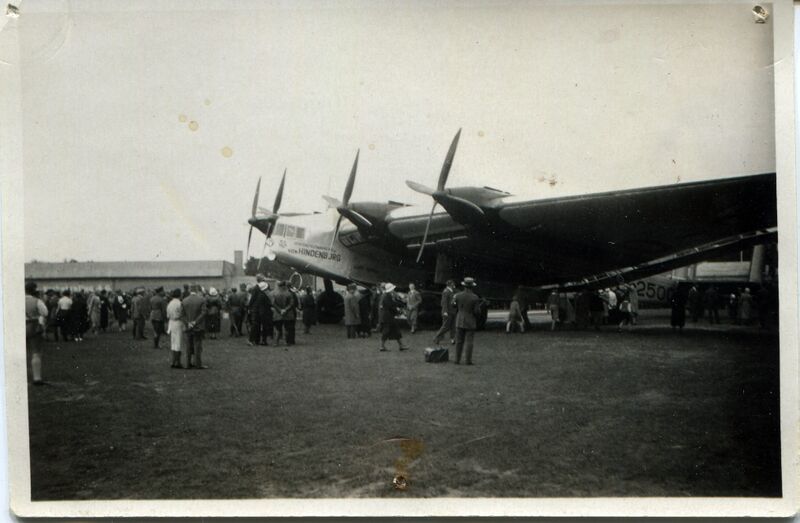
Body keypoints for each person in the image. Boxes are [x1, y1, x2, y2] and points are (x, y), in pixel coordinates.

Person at [453, 277, 482, 365]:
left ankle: (457, 360)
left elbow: (453, 305)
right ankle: (468, 360)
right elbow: (477, 311)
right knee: (469, 342)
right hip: (470, 321)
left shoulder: (458, 295)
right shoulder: (475, 297)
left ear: (464, 286)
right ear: (472, 286)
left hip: (459, 319)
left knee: (459, 341)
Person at [25, 281, 49, 385]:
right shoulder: (37, 301)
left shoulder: (15, 300)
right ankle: (37, 378)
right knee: (35, 352)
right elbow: (45, 313)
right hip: (33, 326)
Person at [182, 284, 208, 369]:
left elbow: (182, 315)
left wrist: (188, 323)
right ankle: (198, 364)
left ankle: (187, 363)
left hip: (188, 326)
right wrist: (195, 322)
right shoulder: (201, 300)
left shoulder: (184, 300)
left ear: (190, 290)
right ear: (197, 290)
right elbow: (204, 312)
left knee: (188, 345)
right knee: (197, 345)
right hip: (198, 326)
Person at [379, 283, 409, 351]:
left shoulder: (386, 295)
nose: (393, 290)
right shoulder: (387, 296)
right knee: (386, 331)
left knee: (396, 330)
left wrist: (399, 306)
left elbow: (393, 304)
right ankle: (382, 346)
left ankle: (401, 345)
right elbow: (391, 306)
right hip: (387, 317)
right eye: (392, 289)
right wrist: (399, 311)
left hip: (388, 317)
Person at [249, 275, 273, 346]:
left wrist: (250, 307)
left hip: (256, 309)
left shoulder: (255, 288)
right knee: (265, 325)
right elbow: (269, 298)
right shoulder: (266, 286)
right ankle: (264, 340)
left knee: (256, 325)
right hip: (265, 309)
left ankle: (255, 340)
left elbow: (252, 299)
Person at [272, 281, 298, 346]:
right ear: (285, 286)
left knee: (278, 329)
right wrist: (285, 310)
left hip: (278, 313)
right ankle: (287, 342)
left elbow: (273, 303)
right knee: (287, 328)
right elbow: (291, 304)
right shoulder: (289, 293)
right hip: (288, 313)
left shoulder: (274, 293)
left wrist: (280, 310)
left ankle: (276, 342)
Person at [166, 289, 186, 368]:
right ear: (179, 295)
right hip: (178, 322)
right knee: (178, 343)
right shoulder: (179, 303)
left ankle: (173, 361)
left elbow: (167, 315)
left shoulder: (170, 303)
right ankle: (177, 362)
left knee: (173, 342)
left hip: (171, 323)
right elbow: (182, 314)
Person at [432, 279, 457, 345]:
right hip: (448, 312)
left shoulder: (451, 291)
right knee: (446, 326)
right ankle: (436, 338)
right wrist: (445, 311)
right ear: (450, 284)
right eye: (453, 284)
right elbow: (444, 302)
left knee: (452, 326)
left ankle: (452, 339)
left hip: (452, 311)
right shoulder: (446, 291)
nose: (454, 285)